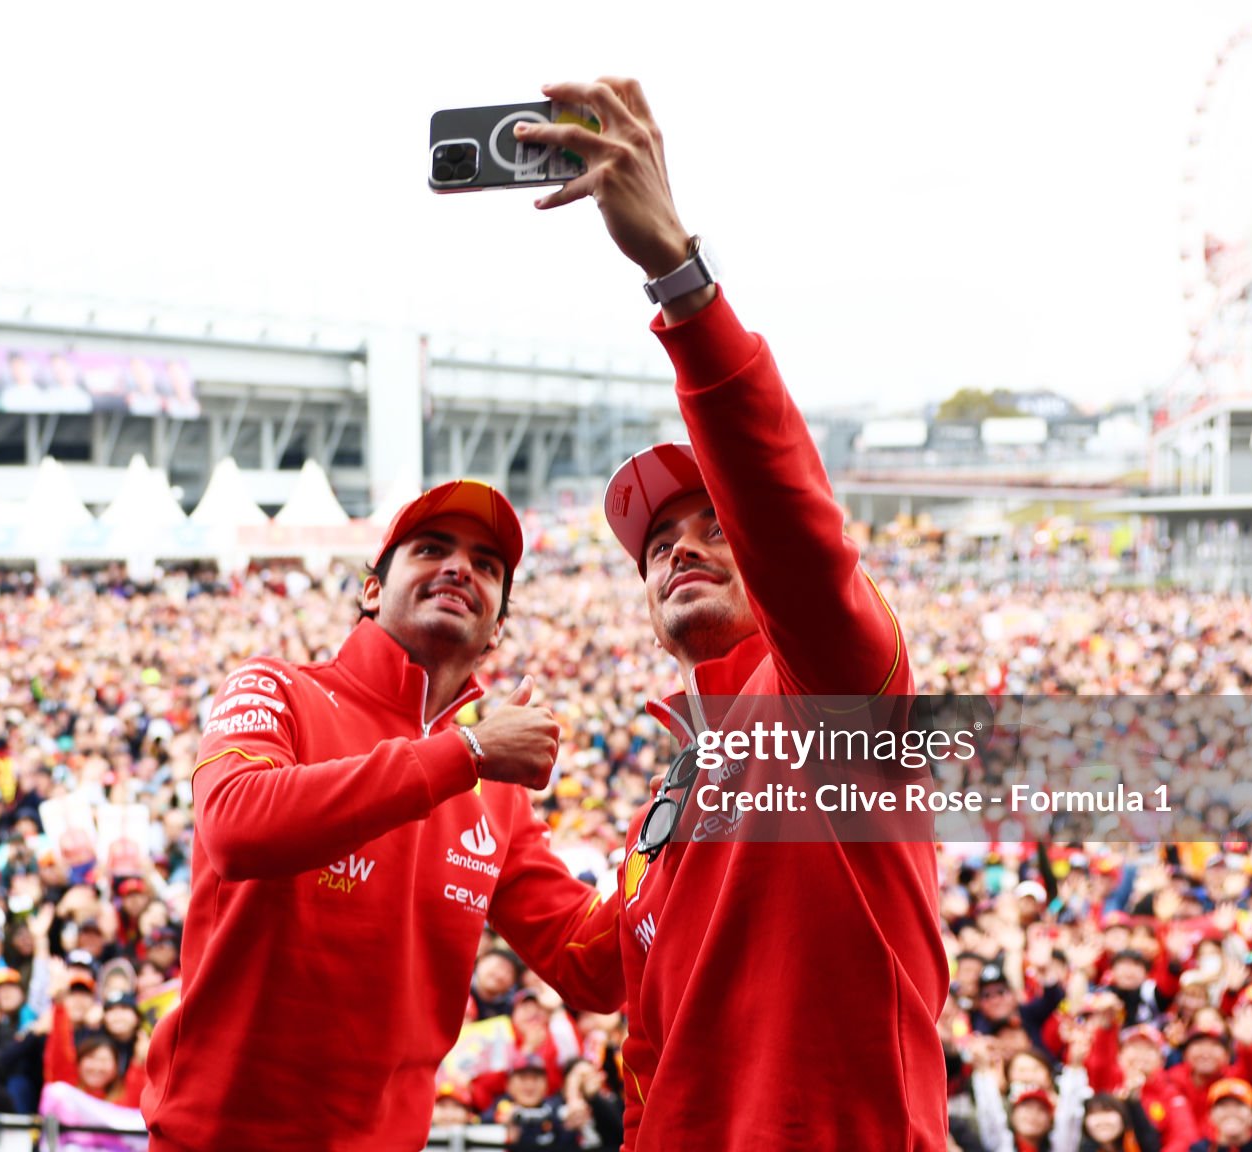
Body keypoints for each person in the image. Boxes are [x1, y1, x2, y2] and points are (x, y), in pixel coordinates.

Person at [530, 76, 941, 1146]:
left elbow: (796, 535)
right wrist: (452, 787)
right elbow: (601, 967)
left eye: (713, 527)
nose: (681, 551)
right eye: (657, 545)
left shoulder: (833, 693)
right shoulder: (675, 788)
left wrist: (678, 277)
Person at [140, 479, 623, 1150]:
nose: (460, 567)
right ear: (373, 591)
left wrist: (680, 827)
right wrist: (466, 751)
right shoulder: (276, 688)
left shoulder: (494, 787)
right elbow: (235, 825)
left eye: (486, 565)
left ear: (497, 629)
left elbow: (593, 967)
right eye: (431, 549)